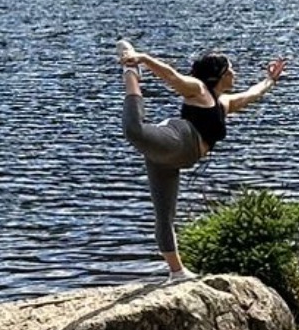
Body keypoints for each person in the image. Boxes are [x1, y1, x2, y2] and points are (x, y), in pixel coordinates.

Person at [117, 39, 288, 281]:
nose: (234, 73)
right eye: (230, 69)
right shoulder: (198, 89)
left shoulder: (224, 103)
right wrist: (143, 59)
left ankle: (177, 272)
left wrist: (270, 79)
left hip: (174, 158)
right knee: (134, 130)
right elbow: (172, 77)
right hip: (176, 141)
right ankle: (131, 72)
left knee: (165, 214)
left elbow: (252, 94)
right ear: (219, 74)